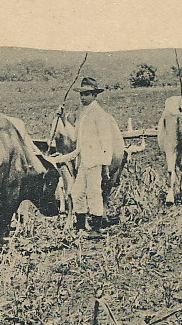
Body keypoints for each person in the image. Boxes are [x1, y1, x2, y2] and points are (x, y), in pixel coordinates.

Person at [48, 77, 125, 235]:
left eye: (87, 94)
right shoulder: (82, 114)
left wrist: (105, 166)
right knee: (77, 193)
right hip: (83, 161)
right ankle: (81, 226)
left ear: (95, 95)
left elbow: (106, 142)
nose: (83, 97)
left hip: (95, 161)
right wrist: (63, 119)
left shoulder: (99, 114)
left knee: (94, 193)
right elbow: (75, 137)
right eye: (82, 94)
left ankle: (96, 228)